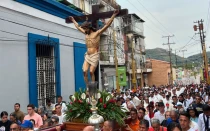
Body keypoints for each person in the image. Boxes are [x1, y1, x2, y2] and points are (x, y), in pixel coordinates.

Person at [69, 10, 119, 85]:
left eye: (86, 29)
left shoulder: (96, 33)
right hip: (88, 55)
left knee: (91, 72)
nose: (85, 30)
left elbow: (107, 25)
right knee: (84, 72)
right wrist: (73, 20)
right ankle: (88, 87)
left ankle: (93, 87)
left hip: (94, 55)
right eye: (84, 29)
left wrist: (113, 15)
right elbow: (78, 28)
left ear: (89, 28)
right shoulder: (86, 34)